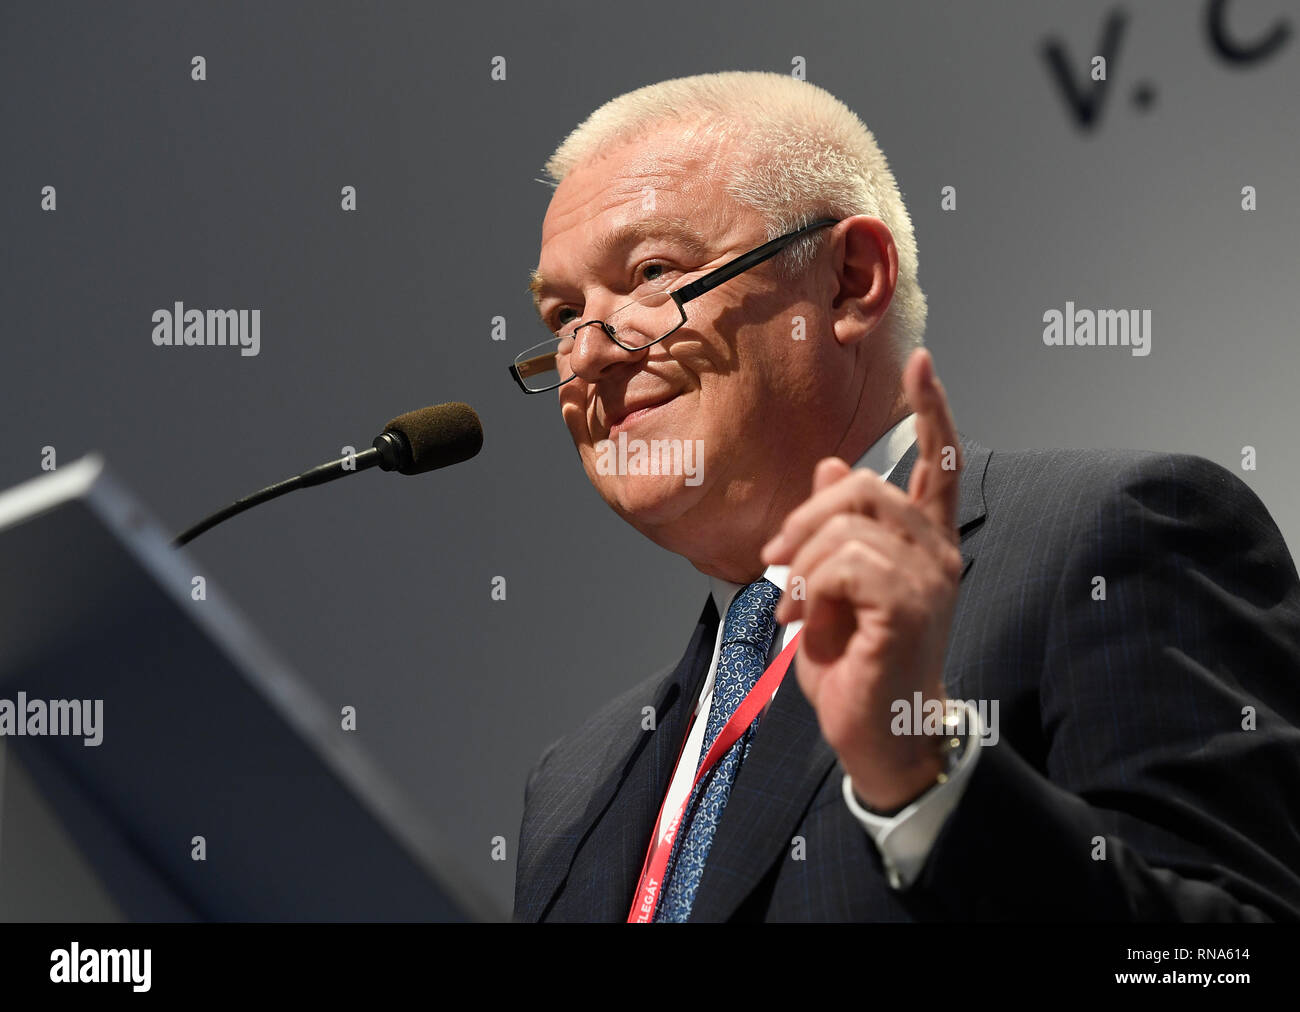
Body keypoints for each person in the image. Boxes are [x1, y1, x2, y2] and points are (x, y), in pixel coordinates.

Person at [508, 71, 1300, 921]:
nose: (586, 356)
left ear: (850, 281)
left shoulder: (1118, 540)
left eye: (653, 273)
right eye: (561, 316)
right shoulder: (573, 785)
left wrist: (927, 782)